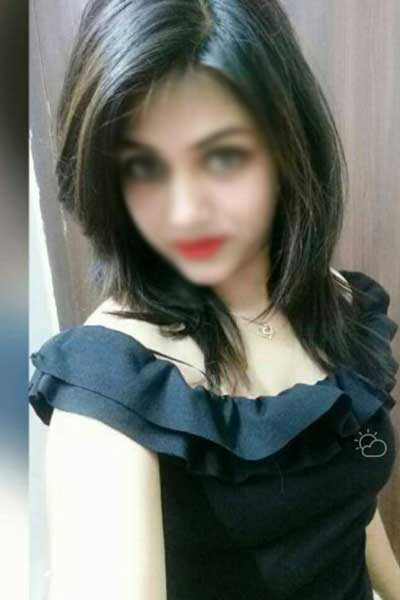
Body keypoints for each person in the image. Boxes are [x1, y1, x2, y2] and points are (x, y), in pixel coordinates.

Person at [29, 1, 399, 598]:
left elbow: (348, 500)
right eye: (143, 167)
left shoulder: (332, 298)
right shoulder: (108, 397)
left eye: (223, 157)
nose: (184, 214)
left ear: (288, 146)